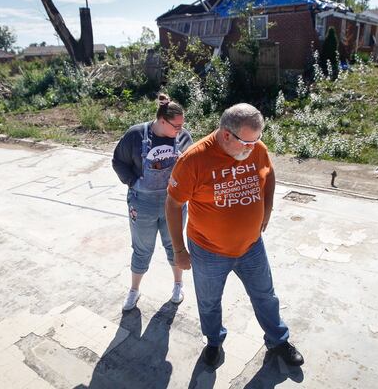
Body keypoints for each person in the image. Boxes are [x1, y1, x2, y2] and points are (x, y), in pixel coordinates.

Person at [165, 103, 304, 367]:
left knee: (266, 295)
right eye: (247, 143)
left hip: (251, 246)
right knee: (209, 302)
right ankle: (214, 342)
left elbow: (269, 173)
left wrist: (268, 209)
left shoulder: (256, 149)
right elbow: (173, 204)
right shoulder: (193, 160)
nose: (252, 149)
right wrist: (179, 250)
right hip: (208, 251)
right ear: (226, 134)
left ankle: (278, 340)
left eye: (257, 141)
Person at [112, 94, 193, 311]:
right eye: (176, 126)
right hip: (142, 203)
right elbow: (118, 161)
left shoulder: (184, 138)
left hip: (174, 205)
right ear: (162, 121)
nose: (180, 130)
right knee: (142, 249)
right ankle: (134, 290)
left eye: (182, 125)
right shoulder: (136, 134)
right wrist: (133, 182)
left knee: (174, 246)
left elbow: (192, 167)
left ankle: (178, 285)